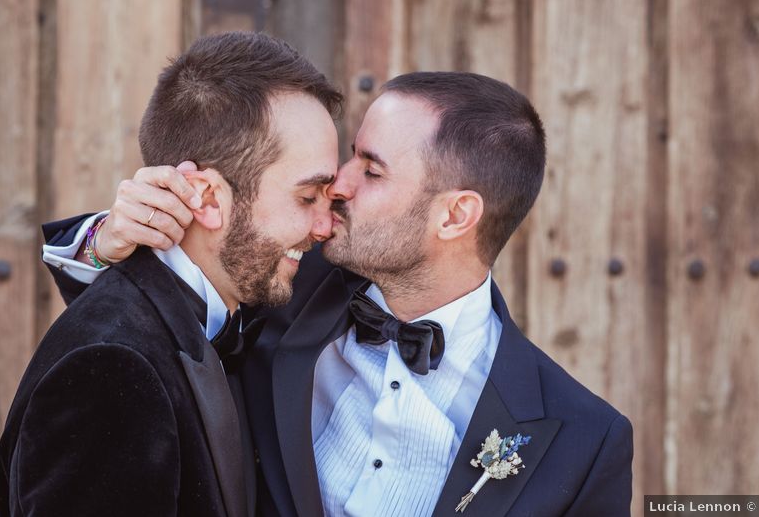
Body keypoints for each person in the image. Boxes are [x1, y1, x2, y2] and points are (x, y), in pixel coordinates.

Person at [43, 72, 634, 516]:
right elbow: (143, 336)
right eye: (352, 155)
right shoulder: (276, 284)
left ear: (456, 215)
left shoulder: (585, 441)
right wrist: (105, 241)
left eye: (371, 170)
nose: (339, 185)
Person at [0, 31, 342, 517]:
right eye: (307, 198)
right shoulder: (111, 370)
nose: (325, 227)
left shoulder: (233, 302)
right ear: (206, 197)